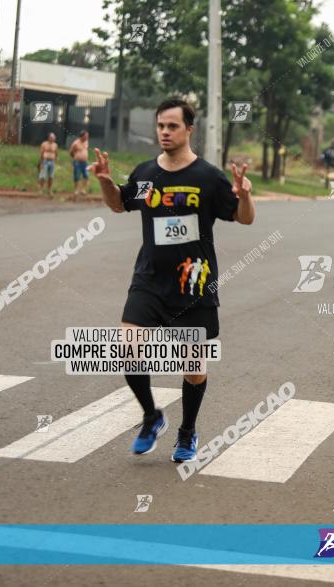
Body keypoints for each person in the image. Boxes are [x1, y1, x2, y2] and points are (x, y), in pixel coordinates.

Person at [89, 98, 255, 463]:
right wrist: (105, 182)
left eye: (172, 126)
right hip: (149, 278)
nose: (164, 132)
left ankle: (187, 430)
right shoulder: (147, 174)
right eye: (161, 126)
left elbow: (244, 218)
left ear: (188, 129)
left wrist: (245, 196)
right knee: (128, 345)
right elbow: (119, 204)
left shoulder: (208, 178)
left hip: (194, 285)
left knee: (193, 367)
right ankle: (151, 416)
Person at [69, 131, 90, 197]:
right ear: (82, 136)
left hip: (85, 162)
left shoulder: (86, 142)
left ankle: (83, 189)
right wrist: (76, 157)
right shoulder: (76, 143)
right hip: (77, 162)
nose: (87, 137)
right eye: (86, 136)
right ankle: (76, 190)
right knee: (77, 176)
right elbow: (71, 152)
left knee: (86, 175)